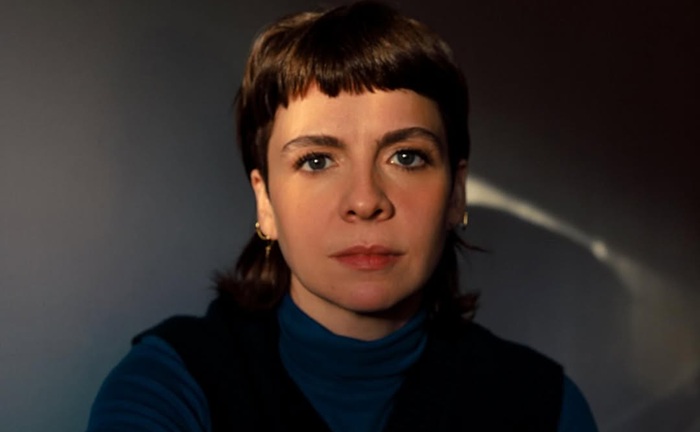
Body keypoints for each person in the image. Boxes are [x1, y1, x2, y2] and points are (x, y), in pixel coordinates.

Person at [87, 1, 597, 431]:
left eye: (406, 157)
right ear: (265, 203)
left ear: (456, 194)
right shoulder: (170, 386)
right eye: (316, 161)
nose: (365, 200)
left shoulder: (546, 406)